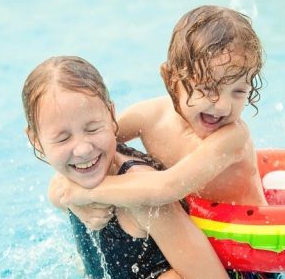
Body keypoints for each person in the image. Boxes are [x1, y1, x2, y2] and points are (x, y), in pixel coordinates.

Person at [51, 6, 280, 278]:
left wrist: (86, 193)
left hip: (245, 260)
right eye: (208, 88)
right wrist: (70, 200)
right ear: (171, 77)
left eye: (239, 91)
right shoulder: (150, 116)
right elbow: (93, 150)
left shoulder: (233, 137)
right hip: (189, 247)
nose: (223, 105)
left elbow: (168, 187)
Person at [22, 56, 228, 279]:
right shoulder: (69, 181)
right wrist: (72, 200)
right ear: (36, 140)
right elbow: (56, 193)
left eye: (92, 129)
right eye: (63, 139)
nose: (82, 150)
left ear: (112, 116)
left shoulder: (147, 203)